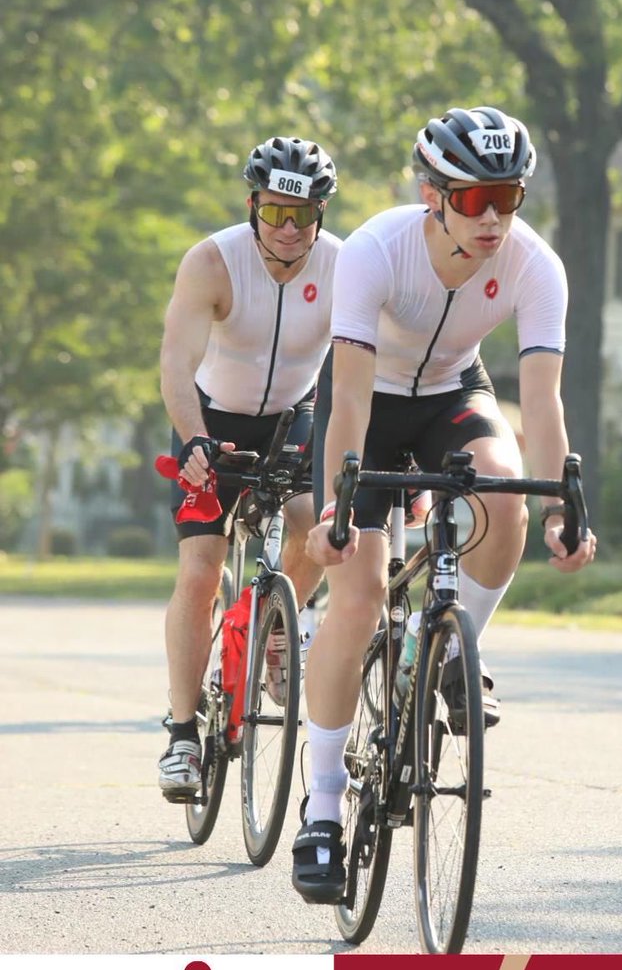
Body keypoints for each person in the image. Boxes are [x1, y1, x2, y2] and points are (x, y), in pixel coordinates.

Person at [291, 105, 597, 903]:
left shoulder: (536, 265)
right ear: (432, 195)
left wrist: (563, 502)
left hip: (453, 395)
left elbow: (541, 396)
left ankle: (457, 649)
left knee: (506, 501)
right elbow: (349, 399)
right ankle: (322, 807)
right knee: (355, 603)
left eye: (509, 196)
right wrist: (336, 507)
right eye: (472, 200)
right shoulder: (374, 251)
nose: (493, 217)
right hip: (369, 403)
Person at [157, 136, 341, 800]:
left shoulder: (344, 267)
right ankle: (181, 734)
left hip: (295, 421)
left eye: (303, 216)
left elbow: (358, 368)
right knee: (202, 569)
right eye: (273, 214)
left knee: (316, 527)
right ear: (252, 206)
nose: (288, 231)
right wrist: (195, 440)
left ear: (320, 213)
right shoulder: (213, 261)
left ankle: (269, 629)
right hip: (212, 421)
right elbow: (177, 365)